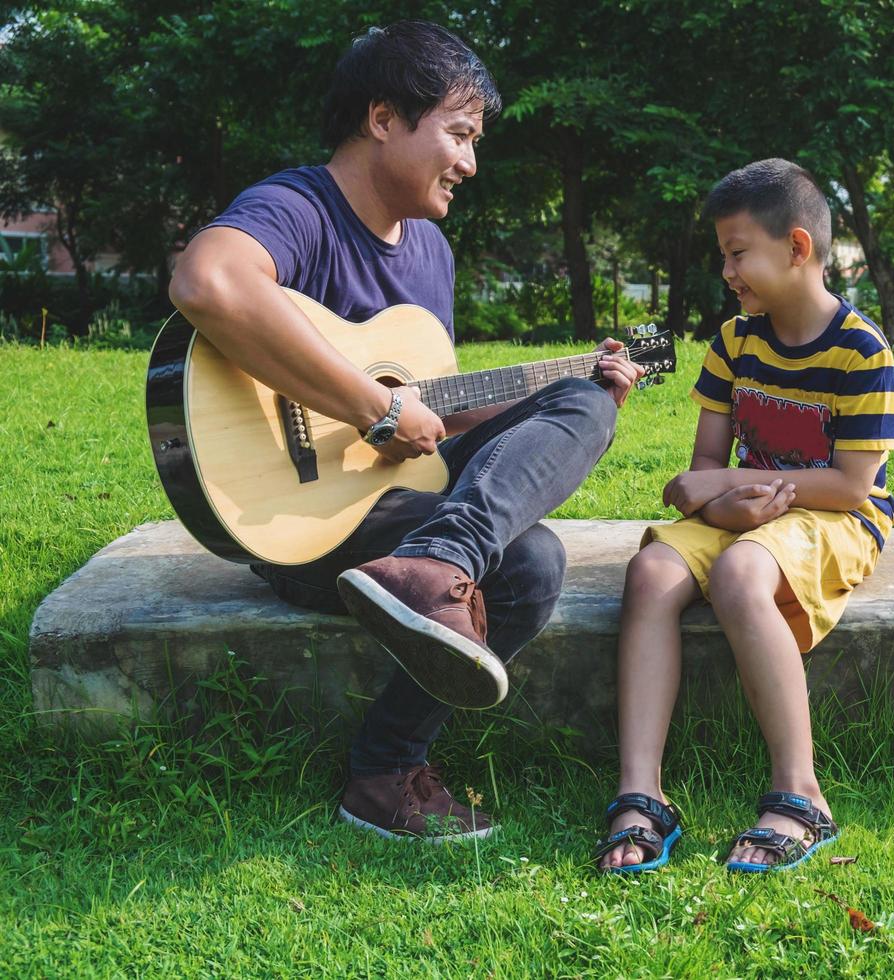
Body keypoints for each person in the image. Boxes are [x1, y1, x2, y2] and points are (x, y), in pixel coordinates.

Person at [168, 21, 644, 842]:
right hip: (298, 518)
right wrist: (374, 406)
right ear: (383, 118)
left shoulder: (431, 251)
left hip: (393, 503)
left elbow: (434, 418)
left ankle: (437, 565)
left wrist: (559, 386)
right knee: (527, 566)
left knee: (585, 401)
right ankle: (388, 770)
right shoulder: (298, 206)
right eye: (458, 134)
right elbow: (207, 282)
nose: (470, 162)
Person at [593, 158, 894, 873]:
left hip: (833, 515)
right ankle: (641, 792)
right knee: (651, 572)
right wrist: (723, 498)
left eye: (738, 254)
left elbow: (853, 486)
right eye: (724, 256)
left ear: (797, 248)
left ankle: (801, 793)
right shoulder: (733, 342)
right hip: (744, 509)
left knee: (738, 574)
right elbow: (702, 473)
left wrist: (734, 487)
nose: (727, 271)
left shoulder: (861, 350)